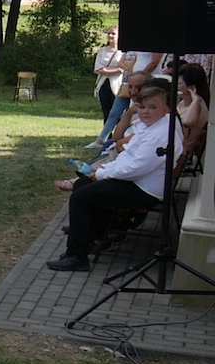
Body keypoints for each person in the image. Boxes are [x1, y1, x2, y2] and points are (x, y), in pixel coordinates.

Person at [48, 86, 180, 271]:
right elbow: (127, 157)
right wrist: (104, 170)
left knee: (80, 198)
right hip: (136, 181)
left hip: (144, 189)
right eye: (142, 107)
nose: (146, 112)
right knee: (83, 184)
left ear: (165, 109)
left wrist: (102, 174)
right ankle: (93, 238)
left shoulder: (158, 135)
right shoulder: (152, 126)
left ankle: (77, 256)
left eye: (153, 107)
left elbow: (135, 168)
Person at [177, 63, 209, 154]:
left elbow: (187, 122)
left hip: (182, 152)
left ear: (191, 87)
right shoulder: (182, 103)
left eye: (179, 83)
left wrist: (196, 99)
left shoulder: (198, 105)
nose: (176, 86)